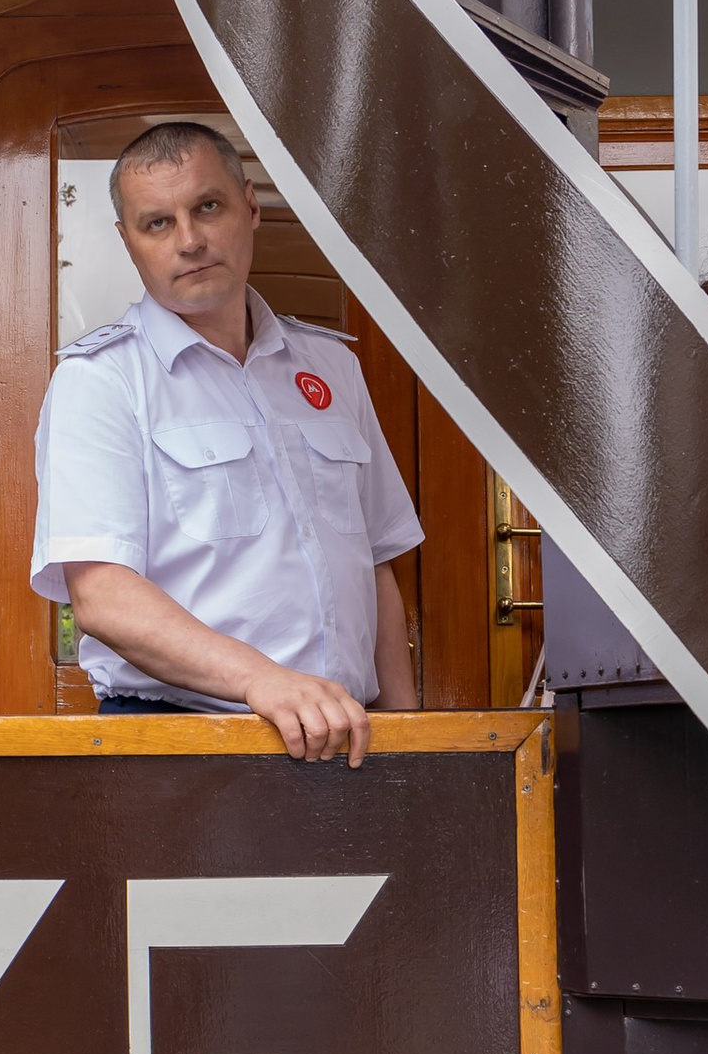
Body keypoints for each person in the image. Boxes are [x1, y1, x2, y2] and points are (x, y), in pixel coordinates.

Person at [30, 121, 422, 763]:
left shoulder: (331, 368)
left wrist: (410, 742)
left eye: (207, 207)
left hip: (351, 741)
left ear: (250, 206)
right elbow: (102, 595)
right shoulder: (99, 381)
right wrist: (263, 682)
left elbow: (374, 563)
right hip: (181, 742)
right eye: (157, 223)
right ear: (129, 242)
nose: (189, 240)